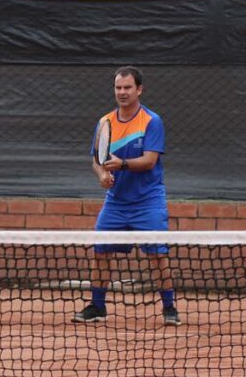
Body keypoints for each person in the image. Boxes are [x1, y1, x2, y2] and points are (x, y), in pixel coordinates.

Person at [73, 66, 181, 326]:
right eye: (118, 88)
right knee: (100, 253)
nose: (122, 92)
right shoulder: (104, 122)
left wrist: (121, 164)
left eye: (127, 87)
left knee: (158, 255)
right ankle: (97, 306)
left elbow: (149, 161)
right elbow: (97, 160)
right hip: (116, 203)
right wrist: (101, 175)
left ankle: (169, 308)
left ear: (139, 89)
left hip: (148, 201)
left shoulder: (152, 121)